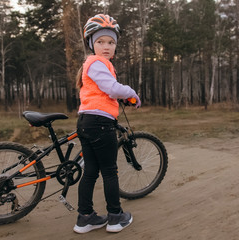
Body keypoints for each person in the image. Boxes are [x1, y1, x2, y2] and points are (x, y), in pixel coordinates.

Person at [73, 14, 141, 234]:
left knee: (91, 171)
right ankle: (115, 217)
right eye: (100, 41)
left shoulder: (92, 65)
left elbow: (104, 90)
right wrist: (131, 93)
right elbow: (112, 88)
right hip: (100, 124)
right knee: (110, 171)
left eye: (111, 42)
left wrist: (120, 96)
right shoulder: (97, 62)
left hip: (86, 122)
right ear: (91, 44)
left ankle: (85, 218)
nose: (106, 46)